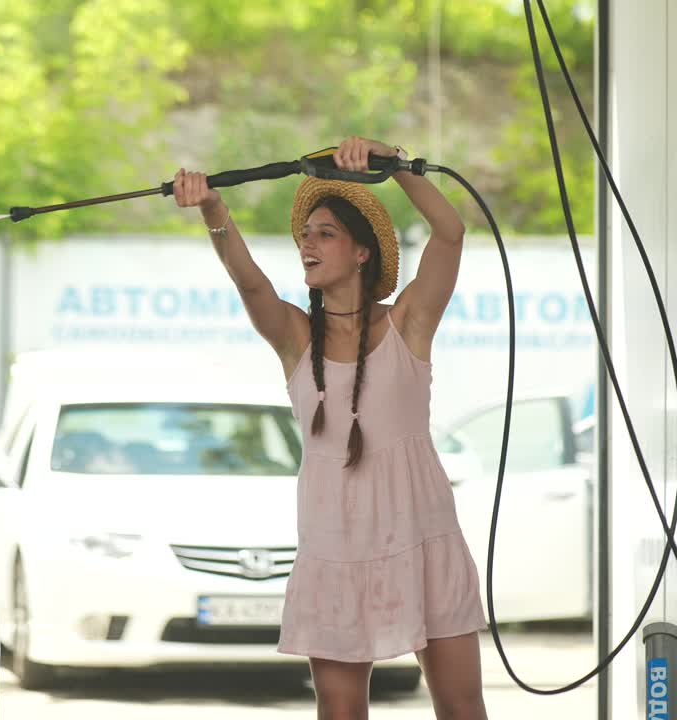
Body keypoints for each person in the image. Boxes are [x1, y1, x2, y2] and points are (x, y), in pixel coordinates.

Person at [172, 136, 488, 720]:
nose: (306, 245)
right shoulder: (296, 338)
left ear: (362, 252)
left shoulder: (409, 324)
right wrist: (213, 210)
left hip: (422, 538)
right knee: (340, 714)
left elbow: (450, 234)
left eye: (324, 234)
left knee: (462, 709)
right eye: (303, 237)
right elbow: (250, 284)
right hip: (335, 552)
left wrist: (394, 165)